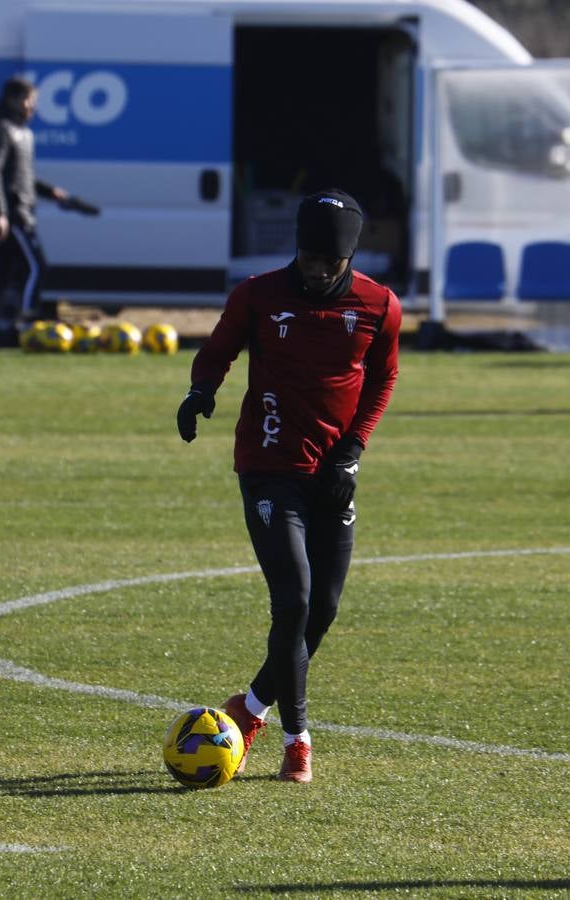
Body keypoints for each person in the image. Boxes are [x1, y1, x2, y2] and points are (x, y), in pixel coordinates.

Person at [177, 190, 401, 783]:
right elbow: (218, 351)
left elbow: (383, 379)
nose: (313, 268)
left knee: (322, 611)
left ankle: (248, 709)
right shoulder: (257, 295)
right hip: (269, 467)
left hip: (332, 475)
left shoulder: (380, 307)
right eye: (306, 255)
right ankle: (297, 739)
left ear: (347, 259)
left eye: (326, 261)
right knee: (295, 600)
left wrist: (352, 452)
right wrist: (202, 391)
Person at [0, 77, 98, 347]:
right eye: (29, 100)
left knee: (0, 276)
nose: (33, 107)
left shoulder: (24, 133)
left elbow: (24, 177)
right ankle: (28, 321)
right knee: (36, 265)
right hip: (13, 215)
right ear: (12, 100)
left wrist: (52, 192)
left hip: (23, 211)